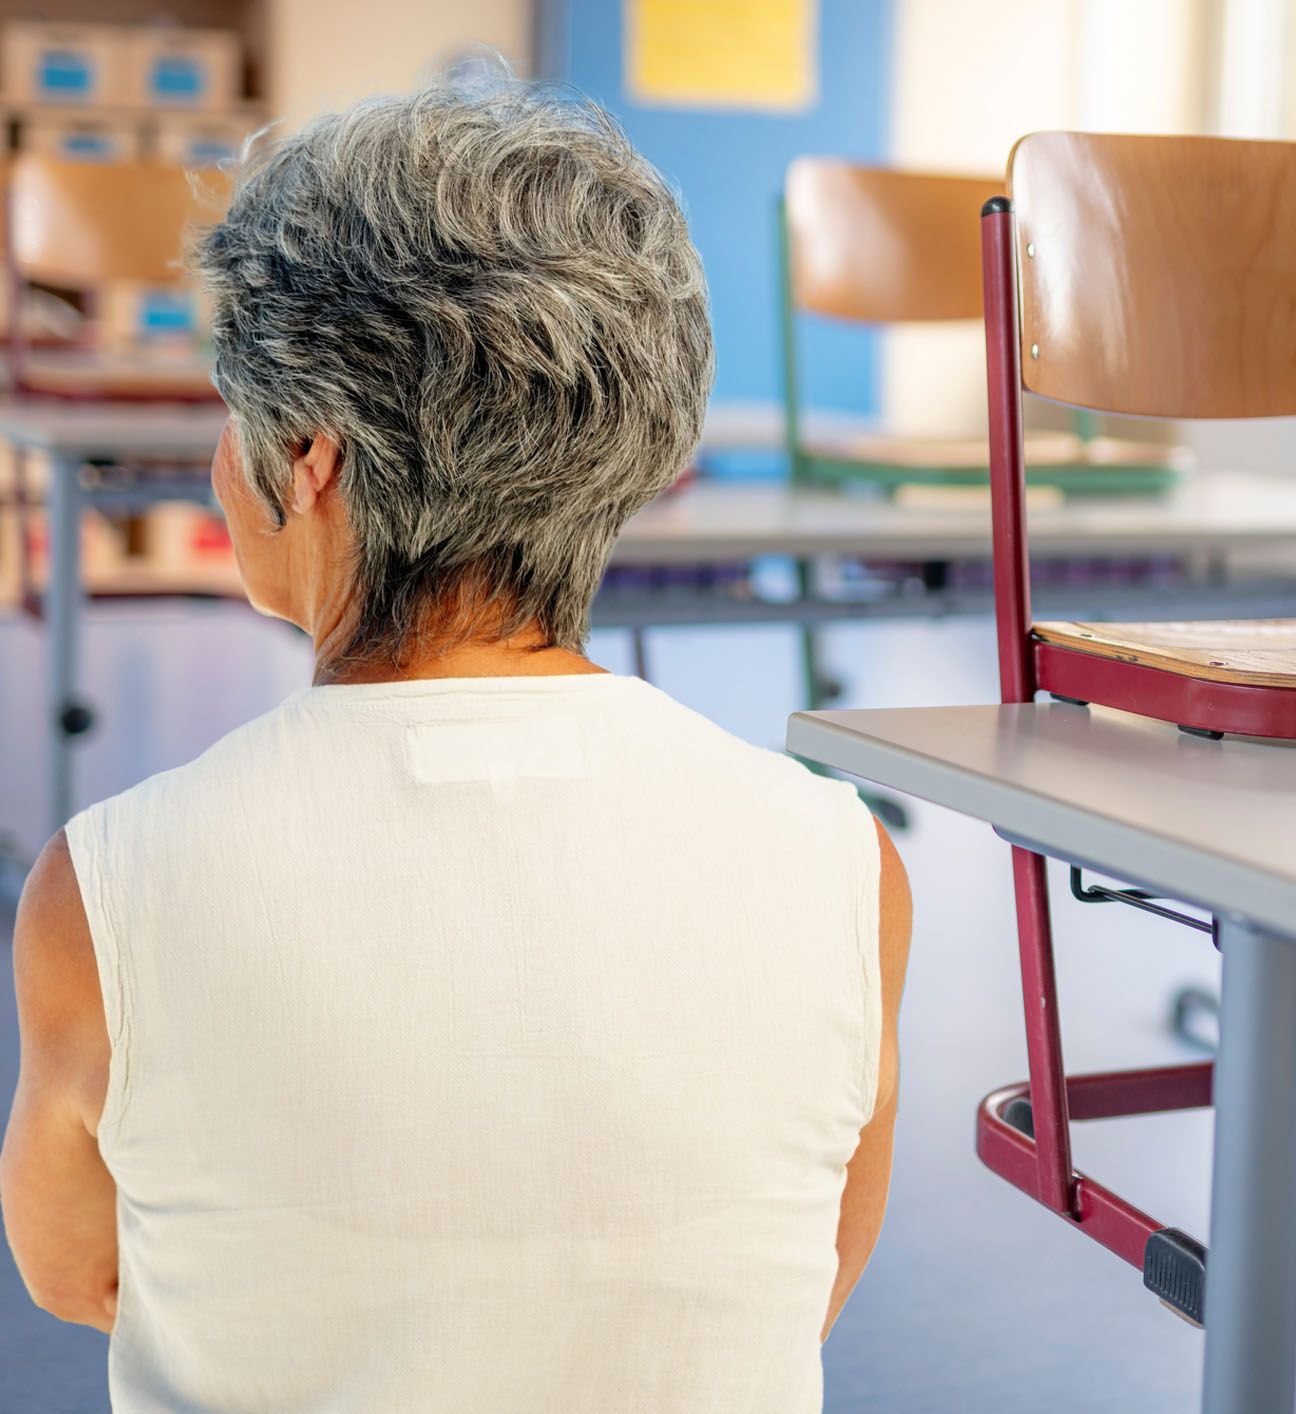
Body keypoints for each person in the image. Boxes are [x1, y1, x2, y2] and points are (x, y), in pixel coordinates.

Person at [2, 74, 908, 1413]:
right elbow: (807, 1274)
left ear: (305, 457)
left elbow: (77, 1273)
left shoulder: (109, 887)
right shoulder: (845, 865)